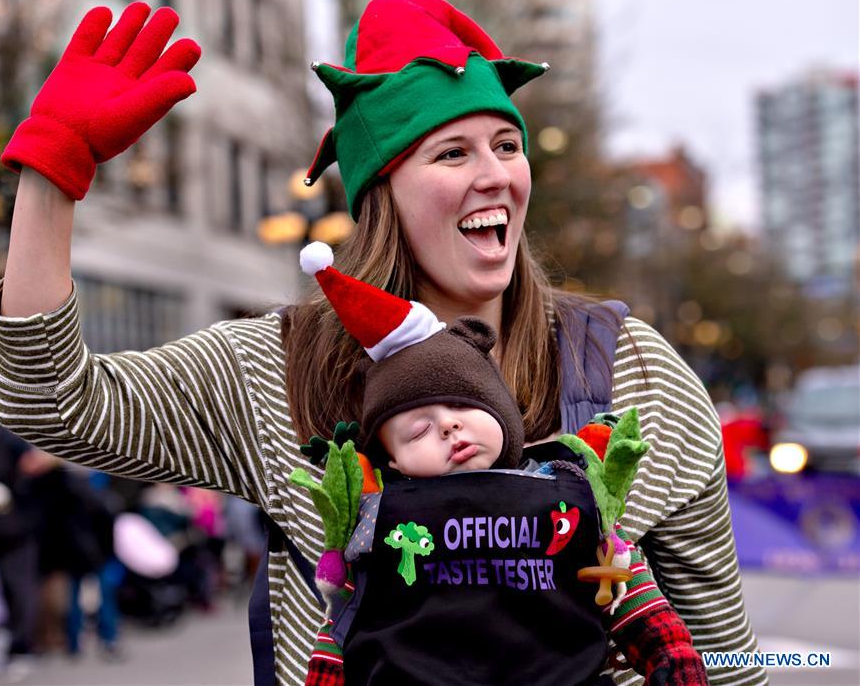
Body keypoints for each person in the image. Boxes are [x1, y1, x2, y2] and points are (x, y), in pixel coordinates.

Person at [0, 0, 767, 686]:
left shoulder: (634, 369)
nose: (495, 173)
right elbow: (51, 401)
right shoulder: (277, 367)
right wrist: (52, 172)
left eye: (506, 144)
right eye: (452, 152)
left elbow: (724, 654)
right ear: (381, 195)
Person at [290, 243, 708, 685]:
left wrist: (674, 658)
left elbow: (624, 587)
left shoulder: (566, 486)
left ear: (502, 411)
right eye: (418, 430)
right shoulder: (376, 517)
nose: (449, 427)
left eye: (461, 405)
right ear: (391, 458)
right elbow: (340, 627)